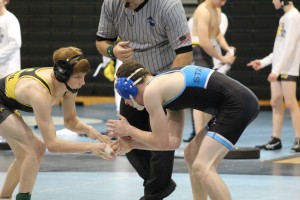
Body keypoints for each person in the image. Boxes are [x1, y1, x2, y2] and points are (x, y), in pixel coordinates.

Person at [107, 61, 259, 200]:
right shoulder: (163, 88)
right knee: (191, 154)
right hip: (236, 103)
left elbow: (160, 140)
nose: (127, 102)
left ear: (130, 87)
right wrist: (133, 144)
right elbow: (171, 142)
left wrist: (129, 130)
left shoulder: (151, 92)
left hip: (237, 105)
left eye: (125, 96)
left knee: (203, 167)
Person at [95, 0, 193, 199]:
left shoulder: (169, 6)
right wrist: (112, 51)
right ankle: (159, 185)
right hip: (132, 80)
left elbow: (185, 55)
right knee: (126, 139)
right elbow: (101, 42)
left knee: (162, 142)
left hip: (165, 78)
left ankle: (153, 193)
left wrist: (160, 87)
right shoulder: (112, 3)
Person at [0, 46, 117, 200]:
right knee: (36, 147)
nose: (83, 82)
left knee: (24, 154)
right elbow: (52, 145)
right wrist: (92, 147)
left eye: (84, 76)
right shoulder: (39, 92)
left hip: (7, 102)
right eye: (78, 77)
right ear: (63, 74)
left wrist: (90, 131)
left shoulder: (68, 83)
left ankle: (4, 196)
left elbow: (70, 121)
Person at [247, 0, 300, 152]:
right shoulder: (284, 18)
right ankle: (276, 139)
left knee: (290, 103)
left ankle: (299, 139)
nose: (272, 1)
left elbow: (290, 48)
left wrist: (276, 70)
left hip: (288, 67)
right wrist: (263, 62)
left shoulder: (294, 17)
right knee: (275, 102)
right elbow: (279, 48)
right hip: (279, 67)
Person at [183, 0, 235, 142]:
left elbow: (217, 34)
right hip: (198, 52)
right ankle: (199, 136)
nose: (224, 3)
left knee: (208, 97)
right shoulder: (203, 11)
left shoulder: (217, 9)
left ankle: (204, 134)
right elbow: (204, 42)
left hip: (207, 55)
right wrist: (222, 58)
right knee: (200, 96)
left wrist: (227, 48)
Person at [0, 0, 22, 149]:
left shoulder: (10, 19)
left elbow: (15, 43)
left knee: (8, 103)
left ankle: (10, 136)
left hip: (8, 69)